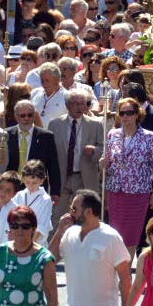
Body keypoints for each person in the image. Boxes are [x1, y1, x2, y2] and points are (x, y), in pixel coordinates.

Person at [102, 96, 153, 254]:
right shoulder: (112, 134)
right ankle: (118, 271)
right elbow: (108, 163)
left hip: (138, 193)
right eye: (121, 113)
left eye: (129, 113)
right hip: (116, 191)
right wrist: (103, 164)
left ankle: (126, 272)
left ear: (137, 114)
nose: (125, 117)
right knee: (116, 234)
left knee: (131, 235)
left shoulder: (150, 137)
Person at [47, 90, 104, 230]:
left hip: (84, 177)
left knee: (85, 217)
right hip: (61, 177)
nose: (79, 107)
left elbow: (104, 149)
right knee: (57, 216)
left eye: (82, 104)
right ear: (67, 105)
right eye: (75, 104)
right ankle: (55, 247)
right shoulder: (54, 124)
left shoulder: (95, 124)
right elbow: (49, 153)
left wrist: (95, 151)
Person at [5, 98, 59, 197]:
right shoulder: (6, 135)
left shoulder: (46, 136)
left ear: (34, 116)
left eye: (30, 115)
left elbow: (53, 166)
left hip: (36, 187)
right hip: (11, 187)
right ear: (16, 117)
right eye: (22, 115)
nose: (26, 118)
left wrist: (55, 192)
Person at [14, 160, 54, 246]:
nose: (30, 186)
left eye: (34, 183)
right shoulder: (19, 195)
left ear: (42, 180)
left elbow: (40, 227)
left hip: (35, 242)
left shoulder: (45, 200)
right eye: (27, 182)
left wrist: (30, 246)